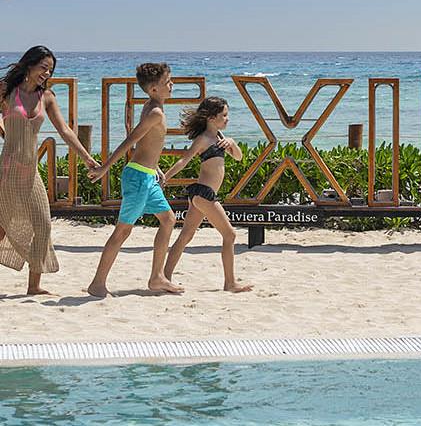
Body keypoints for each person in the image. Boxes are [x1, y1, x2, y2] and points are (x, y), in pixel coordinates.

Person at [0, 45, 99, 295]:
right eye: (43, 67)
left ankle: (34, 286)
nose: (46, 73)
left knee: (43, 224)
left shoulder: (48, 97)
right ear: (29, 64)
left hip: (31, 172)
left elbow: (65, 131)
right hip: (7, 171)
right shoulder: (6, 91)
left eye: (50, 70)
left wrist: (87, 158)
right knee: (1, 228)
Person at [87, 62, 182, 298]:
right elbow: (131, 141)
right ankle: (97, 283)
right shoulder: (155, 112)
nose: (172, 84)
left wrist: (156, 167)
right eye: (167, 82)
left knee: (168, 219)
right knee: (123, 231)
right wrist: (105, 168)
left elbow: (147, 144)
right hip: (138, 178)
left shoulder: (153, 106)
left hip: (147, 175)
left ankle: (157, 277)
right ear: (153, 89)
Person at [163, 96, 252, 293]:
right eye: (224, 115)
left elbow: (238, 157)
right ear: (211, 117)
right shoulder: (203, 139)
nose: (227, 119)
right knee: (230, 234)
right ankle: (230, 283)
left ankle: (164, 277)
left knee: (186, 235)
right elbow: (184, 161)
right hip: (204, 194)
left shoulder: (220, 138)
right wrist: (165, 178)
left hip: (201, 195)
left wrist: (232, 143)